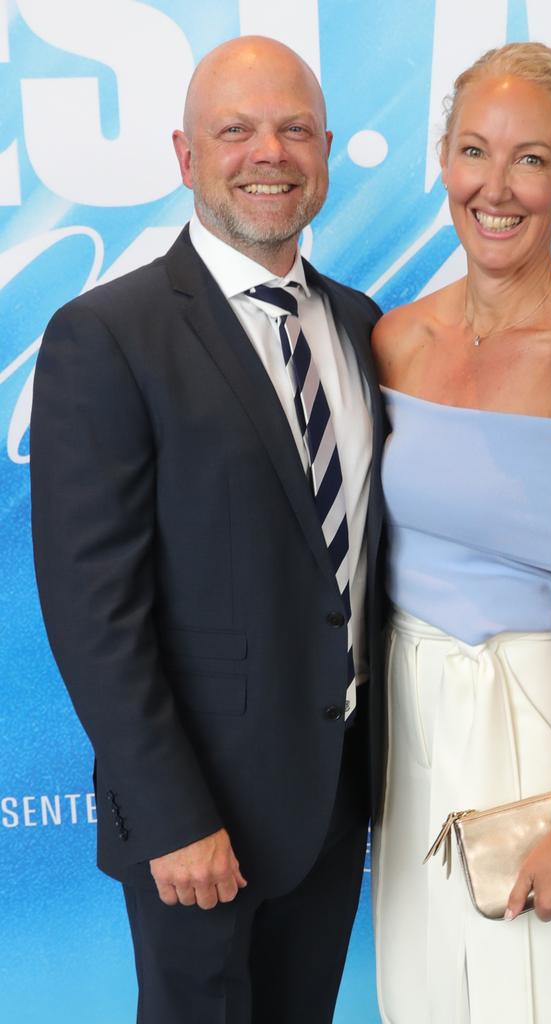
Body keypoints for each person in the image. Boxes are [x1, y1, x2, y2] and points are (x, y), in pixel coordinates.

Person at [30, 36, 386, 1024]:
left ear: (325, 149)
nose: (268, 152)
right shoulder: (106, 337)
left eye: (294, 129)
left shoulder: (362, 327)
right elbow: (94, 612)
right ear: (187, 157)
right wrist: (174, 818)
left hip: (331, 801)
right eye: (236, 130)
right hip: (199, 822)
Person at [371, 42, 551, 1023]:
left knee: (544, 999)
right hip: (409, 725)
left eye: (531, 158)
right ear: (443, 159)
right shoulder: (394, 339)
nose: (498, 186)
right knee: (424, 993)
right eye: (475, 151)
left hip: (533, 724)